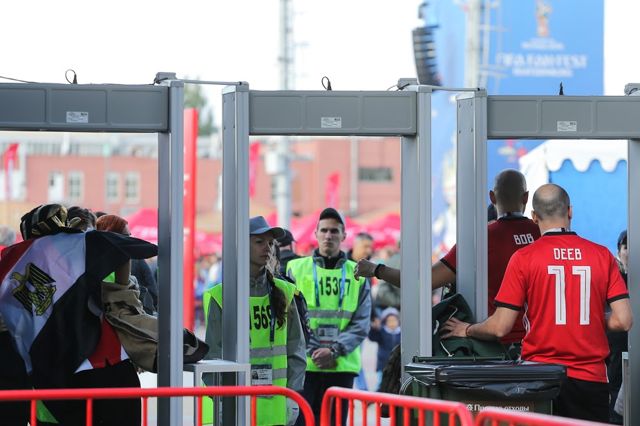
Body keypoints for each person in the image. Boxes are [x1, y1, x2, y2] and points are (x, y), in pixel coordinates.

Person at [441, 184, 633, 422]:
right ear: (570, 211)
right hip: (591, 380)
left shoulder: (524, 258)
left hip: (540, 378)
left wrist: (467, 329)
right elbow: (624, 320)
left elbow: (500, 326)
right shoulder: (601, 255)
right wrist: (589, 318)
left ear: (534, 217)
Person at [355, 169, 540, 345]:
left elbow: (421, 282)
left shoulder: (481, 239)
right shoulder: (540, 234)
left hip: (495, 347)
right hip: (537, 345)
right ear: (526, 197)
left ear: (492, 197)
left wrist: (376, 270)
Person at [204, 216, 306, 426]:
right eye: (259, 242)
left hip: (276, 408)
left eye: (270, 243)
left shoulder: (285, 291)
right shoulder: (221, 295)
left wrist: (293, 395)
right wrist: (220, 399)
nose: (267, 248)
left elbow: (296, 348)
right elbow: (213, 354)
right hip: (237, 407)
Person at [287, 208, 371, 426]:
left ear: (344, 236)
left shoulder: (359, 273)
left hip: (341, 366)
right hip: (305, 365)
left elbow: (361, 322)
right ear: (316, 234)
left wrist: (334, 351)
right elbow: (291, 318)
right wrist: (314, 349)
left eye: (334, 231)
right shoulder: (295, 269)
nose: (328, 236)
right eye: (324, 230)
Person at [96, 214, 159, 315]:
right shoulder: (122, 258)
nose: (129, 240)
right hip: (118, 314)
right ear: (112, 236)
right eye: (126, 236)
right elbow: (150, 286)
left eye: (130, 236)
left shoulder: (94, 258)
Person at [606, 229, 628, 424]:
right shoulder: (614, 277)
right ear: (619, 251)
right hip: (616, 350)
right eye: (626, 247)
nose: (630, 251)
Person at [367, 307, 401, 391]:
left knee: (394, 383)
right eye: (389, 321)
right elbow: (372, 337)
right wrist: (374, 329)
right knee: (380, 383)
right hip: (383, 364)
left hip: (396, 365)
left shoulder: (401, 333)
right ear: (385, 322)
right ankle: (376, 396)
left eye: (394, 320)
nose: (392, 323)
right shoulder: (382, 332)